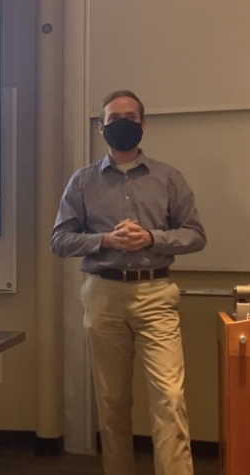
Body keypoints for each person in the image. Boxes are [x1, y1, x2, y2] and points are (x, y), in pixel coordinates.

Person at [51, 90, 206, 475]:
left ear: (143, 125)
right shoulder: (82, 181)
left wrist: (152, 237)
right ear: (102, 128)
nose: (122, 122)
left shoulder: (169, 177)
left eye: (130, 116)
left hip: (156, 293)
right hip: (103, 294)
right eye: (114, 117)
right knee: (112, 402)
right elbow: (59, 240)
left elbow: (196, 234)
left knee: (169, 398)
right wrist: (105, 239)